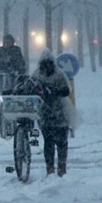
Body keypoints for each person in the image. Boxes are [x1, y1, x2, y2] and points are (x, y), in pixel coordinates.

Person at [31, 49, 71, 177]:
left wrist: (53, 92)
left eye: (49, 63)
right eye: (45, 63)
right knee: (49, 142)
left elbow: (66, 91)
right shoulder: (36, 75)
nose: (47, 66)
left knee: (61, 142)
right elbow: (31, 89)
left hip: (60, 113)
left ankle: (61, 166)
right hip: (45, 114)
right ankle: (50, 167)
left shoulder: (59, 75)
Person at [0, 34, 27, 134]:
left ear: (12, 43)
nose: (6, 44)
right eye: (4, 42)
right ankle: (0, 123)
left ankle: (15, 119)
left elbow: (22, 63)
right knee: (0, 99)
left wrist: (20, 71)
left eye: (8, 42)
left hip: (14, 77)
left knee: (14, 97)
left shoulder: (16, 50)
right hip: (2, 78)